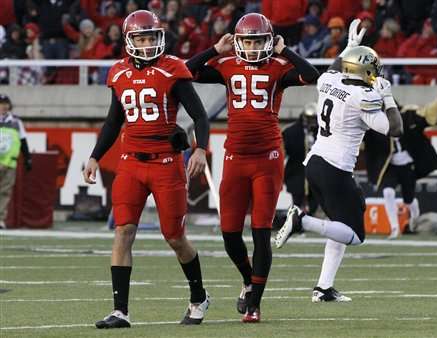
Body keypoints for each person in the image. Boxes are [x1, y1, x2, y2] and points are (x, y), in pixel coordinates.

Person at [185, 13, 319, 322]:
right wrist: (214, 51)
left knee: (260, 232)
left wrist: (285, 51)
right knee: (230, 234)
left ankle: (255, 303)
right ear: (238, 41)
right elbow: (186, 71)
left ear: (269, 41)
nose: (253, 46)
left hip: (267, 159)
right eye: (248, 41)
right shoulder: (228, 64)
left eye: (259, 41)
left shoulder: (277, 66)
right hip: (235, 157)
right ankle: (248, 280)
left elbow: (312, 75)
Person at [82, 10, 210, 329]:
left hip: (166, 163)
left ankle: (199, 297)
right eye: (141, 37)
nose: (148, 42)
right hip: (130, 163)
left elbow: (200, 116)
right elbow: (114, 121)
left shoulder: (172, 69)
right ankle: (120, 311)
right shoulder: (118, 73)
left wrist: (202, 150)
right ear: (129, 40)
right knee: (123, 231)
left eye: (152, 36)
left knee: (175, 237)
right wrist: (95, 155)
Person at [275, 20, 403, 303]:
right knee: (355, 235)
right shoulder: (363, 96)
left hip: (316, 163)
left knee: (341, 223)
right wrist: (388, 97)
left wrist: (350, 47)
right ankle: (302, 222)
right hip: (336, 168)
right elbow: (395, 129)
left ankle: (323, 288)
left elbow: (334, 68)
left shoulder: (329, 81)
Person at [364, 92, 437, 238]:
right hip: (389, 165)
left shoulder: (407, 116)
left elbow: (424, 115)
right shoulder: (373, 124)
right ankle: (394, 227)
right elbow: (360, 138)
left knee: (410, 200)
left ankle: (414, 221)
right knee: (388, 192)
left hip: (407, 164)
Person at [0, 94, 32, 229]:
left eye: (6, 103)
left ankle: (0, 218)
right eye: (1, 103)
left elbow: (23, 140)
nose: (4, 106)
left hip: (10, 162)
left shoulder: (16, 122)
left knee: (5, 192)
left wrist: (27, 157)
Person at [282, 102, 319, 215]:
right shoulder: (291, 132)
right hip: (296, 171)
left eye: (313, 118)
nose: (310, 121)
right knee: (297, 202)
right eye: (309, 118)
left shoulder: (322, 133)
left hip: (315, 173)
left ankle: (309, 220)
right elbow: (285, 151)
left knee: (315, 202)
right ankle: (296, 222)